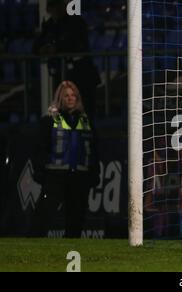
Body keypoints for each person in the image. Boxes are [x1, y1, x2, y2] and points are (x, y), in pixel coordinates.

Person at [30, 81, 99, 238]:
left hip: (80, 177)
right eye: (66, 95)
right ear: (60, 98)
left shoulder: (87, 121)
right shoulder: (49, 121)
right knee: (43, 215)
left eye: (73, 95)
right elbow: (39, 148)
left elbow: (95, 151)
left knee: (77, 218)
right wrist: (40, 172)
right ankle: (33, 246)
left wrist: (94, 174)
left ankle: (71, 248)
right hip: (55, 176)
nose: (70, 98)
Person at [33, 0, 100, 117]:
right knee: (64, 113)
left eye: (58, 6)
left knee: (85, 113)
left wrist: (56, 47)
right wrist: (43, 49)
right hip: (61, 77)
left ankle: (87, 133)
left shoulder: (76, 22)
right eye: (52, 7)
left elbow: (76, 43)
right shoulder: (49, 25)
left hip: (81, 76)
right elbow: (36, 46)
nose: (56, 10)